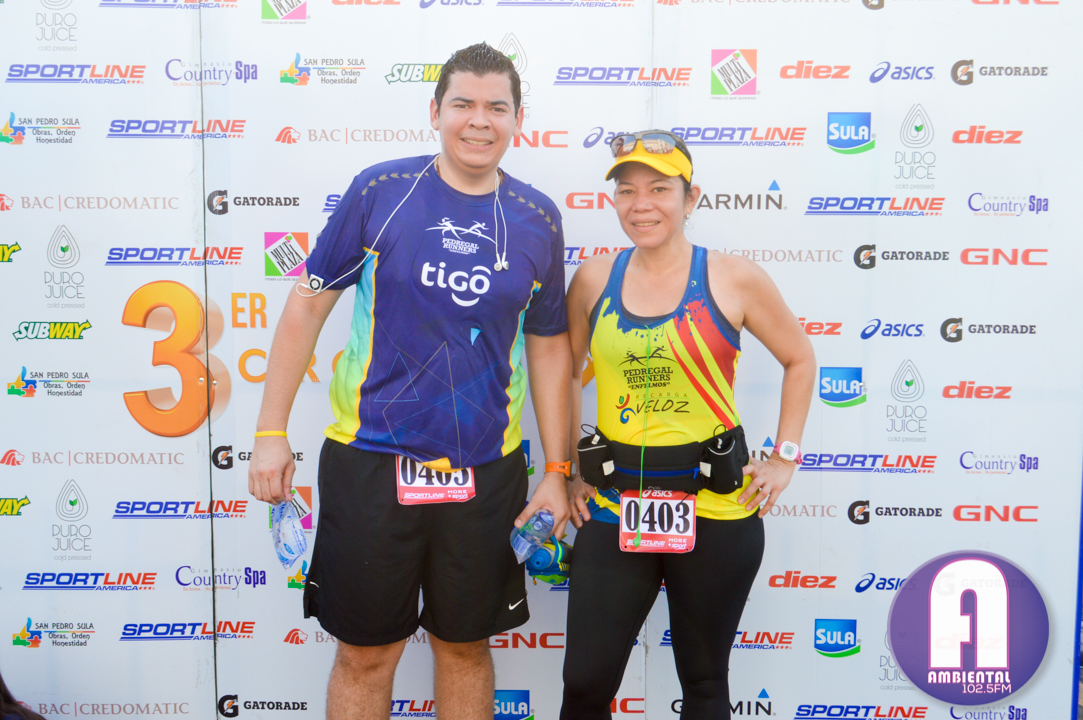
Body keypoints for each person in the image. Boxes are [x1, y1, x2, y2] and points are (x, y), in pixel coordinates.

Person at [248, 43, 573, 720]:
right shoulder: (380, 192)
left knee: (464, 648)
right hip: (370, 461)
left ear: (518, 119)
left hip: (485, 471)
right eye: (463, 104)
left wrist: (556, 469)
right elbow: (307, 305)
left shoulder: (537, 218)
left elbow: (547, 349)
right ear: (435, 111)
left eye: (496, 107)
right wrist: (270, 431)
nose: (479, 120)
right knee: (366, 655)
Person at [559, 131, 816, 720]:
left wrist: (785, 457)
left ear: (690, 197)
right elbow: (566, 374)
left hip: (716, 508)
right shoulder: (594, 279)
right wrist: (570, 469)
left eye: (659, 189)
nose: (641, 204)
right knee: (585, 683)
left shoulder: (733, 277)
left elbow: (800, 358)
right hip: (614, 503)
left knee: (702, 681)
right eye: (627, 191)